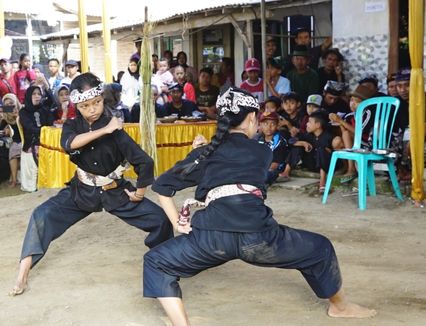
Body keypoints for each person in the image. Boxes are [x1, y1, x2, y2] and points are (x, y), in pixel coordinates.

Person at [143, 87, 377, 325]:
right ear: (252, 118)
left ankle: (181, 323)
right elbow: (239, 165)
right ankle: (340, 307)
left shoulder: (205, 154)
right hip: (259, 238)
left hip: (211, 240)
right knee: (320, 248)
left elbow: (163, 186)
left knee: (156, 261)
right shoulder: (262, 152)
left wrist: (178, 222)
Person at [10, 72, 173, 296]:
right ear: (77, 106)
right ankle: (22, 274)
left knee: (161, 220)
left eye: (97, 102)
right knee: (41, 215)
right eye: (86, 105)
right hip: (81, 191)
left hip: (114, 191)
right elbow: (69, 144)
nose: (93, 109)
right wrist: (104, 130)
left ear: (103, 99)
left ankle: (164, 267)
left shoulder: (115, 129)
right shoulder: (75, 125)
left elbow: (144, 161)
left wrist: (140, 192)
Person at [328, 85, 375, 183]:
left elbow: (359, 133)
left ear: (365, 104)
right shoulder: (349, 116)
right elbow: (343, 129)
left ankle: (351, 169)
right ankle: (346, 166)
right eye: (351, 100)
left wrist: (341, 121)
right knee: (337, 141)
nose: (353, 104)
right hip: (352, 143)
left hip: (366, 144)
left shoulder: (368, 113)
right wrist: (339, 122)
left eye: (357, 101)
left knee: (346, 134)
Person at [18, 85, 55, 192]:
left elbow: (52, 101)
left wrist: (46, 86)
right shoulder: (24, 111)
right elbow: (30, 127)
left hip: (46, 140)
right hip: (32, 141)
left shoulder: (44, 109)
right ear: (29, 96)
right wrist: (44, 131)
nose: (37, 96)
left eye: (39, 94)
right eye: (34, 94)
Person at [257, 111, 289, 185]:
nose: (269, 127)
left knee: (266, 176)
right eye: (265, 124)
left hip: (273, 169)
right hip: (259, 168)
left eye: (273, 124)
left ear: (278, 126)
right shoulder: (258, 139)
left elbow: (275, 164)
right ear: (260, 125)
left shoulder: (280, 142)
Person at [1, 93, 22, 187]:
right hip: (15, 142)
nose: (9, 106)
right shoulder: (5, 117)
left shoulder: (23, 112)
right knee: (13, 151)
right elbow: (1, 128)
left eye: (11, 103)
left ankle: (14, 178)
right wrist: (1, 115)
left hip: (26, 140)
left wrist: (18, 118)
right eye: (7, 105)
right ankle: (14, 180)